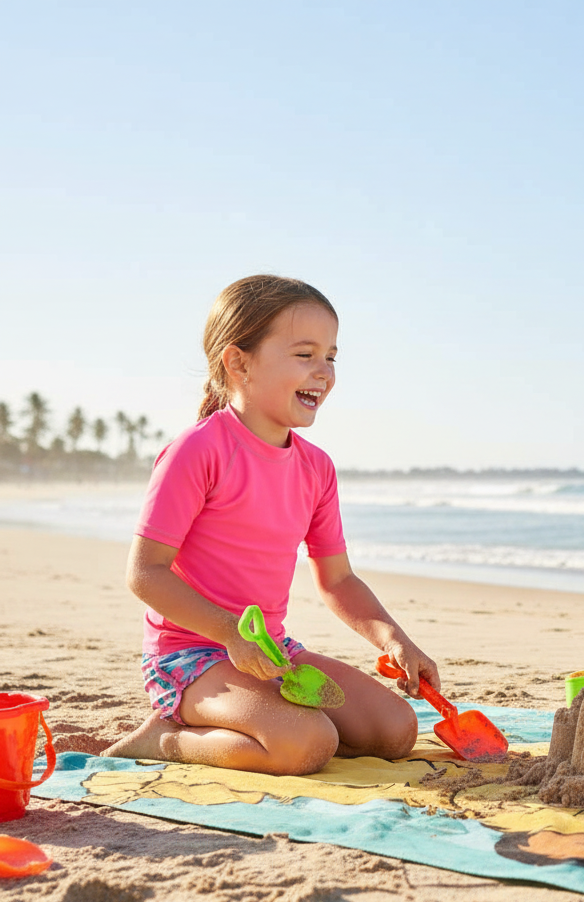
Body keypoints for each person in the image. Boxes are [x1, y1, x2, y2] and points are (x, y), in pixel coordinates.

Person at [104, 274, 435, 775]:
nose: (323, 371)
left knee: (395, 731)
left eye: (331, 357)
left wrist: (395, 640)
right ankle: (167, 738)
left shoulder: (316, 467)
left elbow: (337, 579)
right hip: (191, 656)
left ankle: (265, 726)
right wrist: (229, 633)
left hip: (271, 652)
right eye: (305, 354)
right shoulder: (198, 450)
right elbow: (145, 573)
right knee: (307, 744)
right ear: (239, 363)